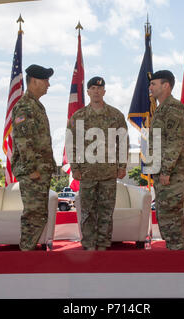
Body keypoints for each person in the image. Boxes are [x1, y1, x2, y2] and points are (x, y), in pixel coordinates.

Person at [67, 76, 129, 251]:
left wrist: (122, 165)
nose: (96, 91)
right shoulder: (78, 116)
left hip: (109, 173)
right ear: (87, 92)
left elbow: (123, 141)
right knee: (87, 213)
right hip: (86, 174)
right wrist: (75, 168)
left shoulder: (115, 115)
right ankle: (88, 244)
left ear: (104, 92)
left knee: (106, 212)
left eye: (99, 88)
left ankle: (103, 244)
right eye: (92, 88)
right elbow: (71, 143)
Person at [11, 64, 57, 251]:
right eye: (46, 80)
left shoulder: (35, 105)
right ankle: (26, 255)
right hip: (34, 172)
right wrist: (32, 170)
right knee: (33, 215)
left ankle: (29, 252)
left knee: (39, 214)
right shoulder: (24, 106)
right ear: (35, 81)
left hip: (40, 170)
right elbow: (23, 140)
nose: (48, 84)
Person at [148, 70, 184, 250]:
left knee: (171, 214)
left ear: (166, 85)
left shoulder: (173, 108)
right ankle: (173, 251)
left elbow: (175, 142)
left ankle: (177, 256)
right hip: (162, 171)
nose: (150, 87)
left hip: (171, 173)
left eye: (154, 84)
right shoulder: (161, 109)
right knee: (165, 213)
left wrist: (166, 170)